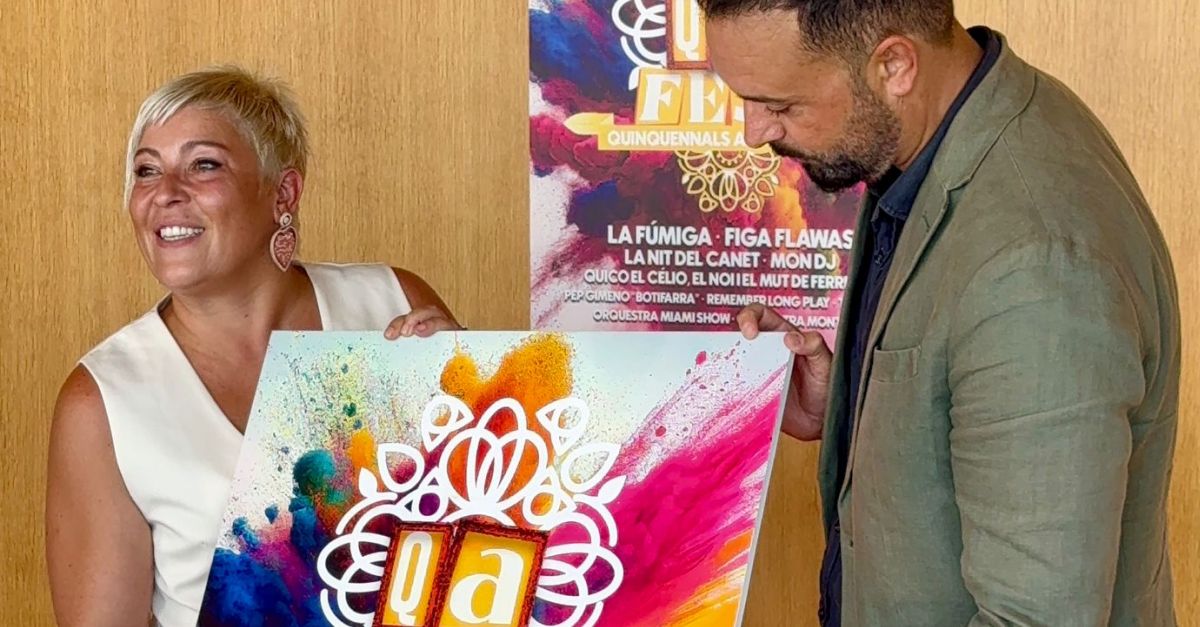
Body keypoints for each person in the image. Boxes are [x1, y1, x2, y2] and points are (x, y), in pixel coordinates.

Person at [699, 1, 1180, 625]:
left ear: (895, 66)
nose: (753, 132)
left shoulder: (1034, 266)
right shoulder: (955, 130)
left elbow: (1035, 617)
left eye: (781, 105)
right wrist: (848, 400)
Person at [44, 66, 460, 626]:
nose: (165, 193)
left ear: (282, 192)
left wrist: (478, 391)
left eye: (203, 165)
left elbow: (504, 529)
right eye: (146, 171)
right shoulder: (101, 401)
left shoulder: (392, 301)